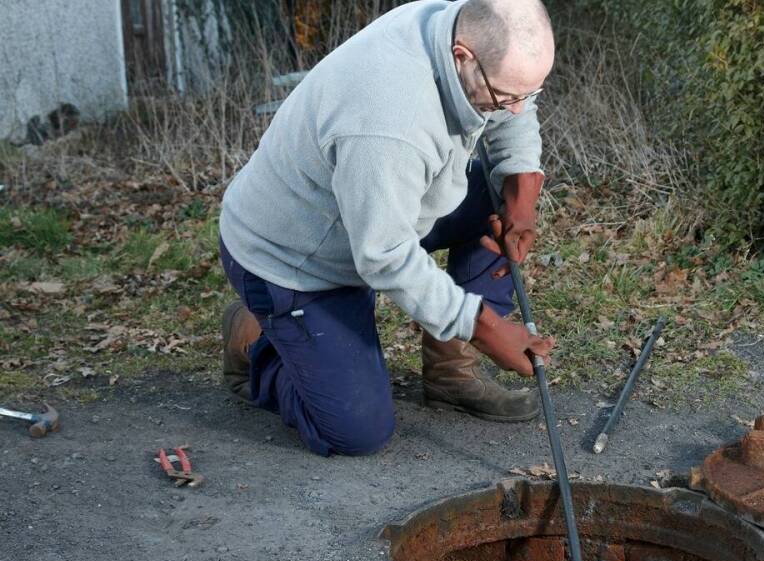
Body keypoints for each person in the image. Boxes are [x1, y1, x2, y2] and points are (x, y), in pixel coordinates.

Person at [218, 0, 556, 456]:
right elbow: (384, 254)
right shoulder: (388, 117)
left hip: (380, 205)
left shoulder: (461, 26)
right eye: (506, 99)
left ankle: (451, 375)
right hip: (295, 258)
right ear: (462, 57)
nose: (515, 111)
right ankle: (256, 341)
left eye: (527, 94)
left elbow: (513, 104)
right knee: (357, 431)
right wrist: (486, 327)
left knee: (490, 199)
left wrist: (522, 187)